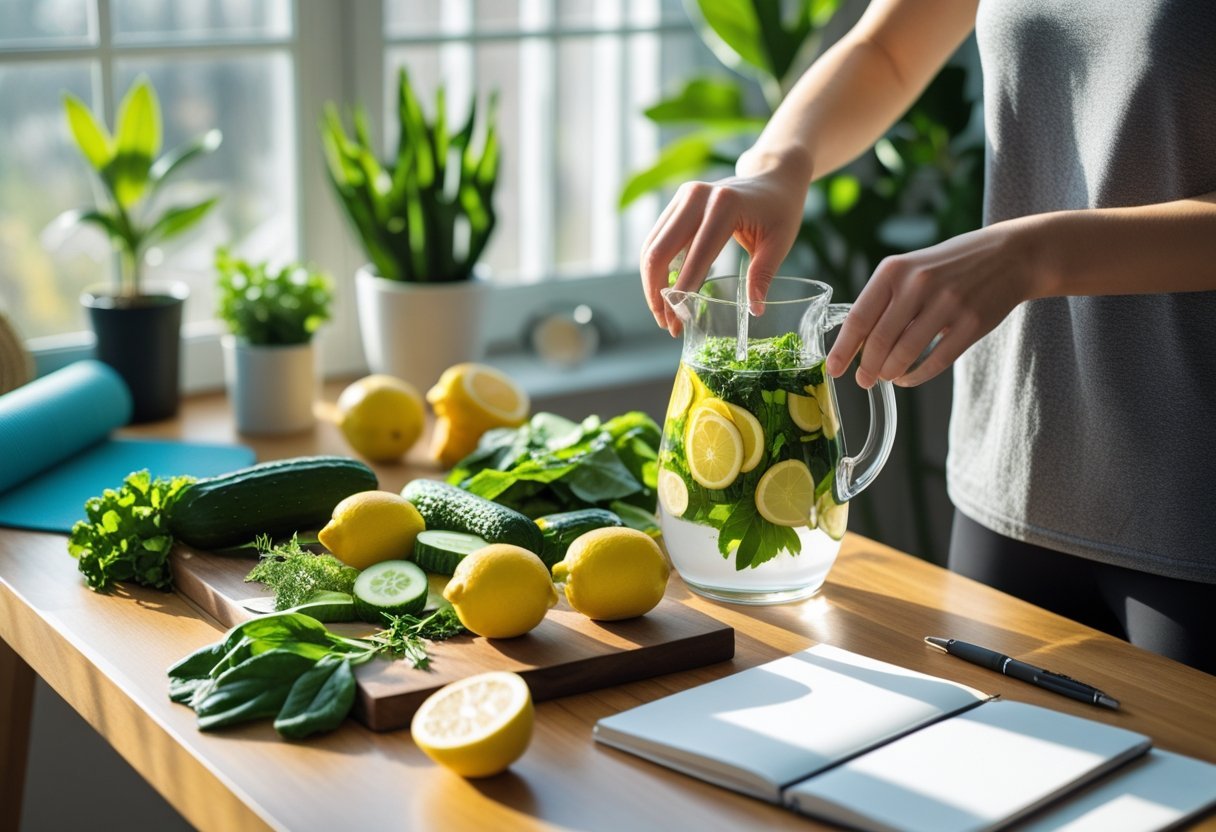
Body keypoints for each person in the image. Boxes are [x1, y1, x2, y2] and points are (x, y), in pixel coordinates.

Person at [639, 0, 1216, 674]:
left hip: (1193, 501)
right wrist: (775, 164)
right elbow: (886, 50)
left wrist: (1034, 254)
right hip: (1013, 478)